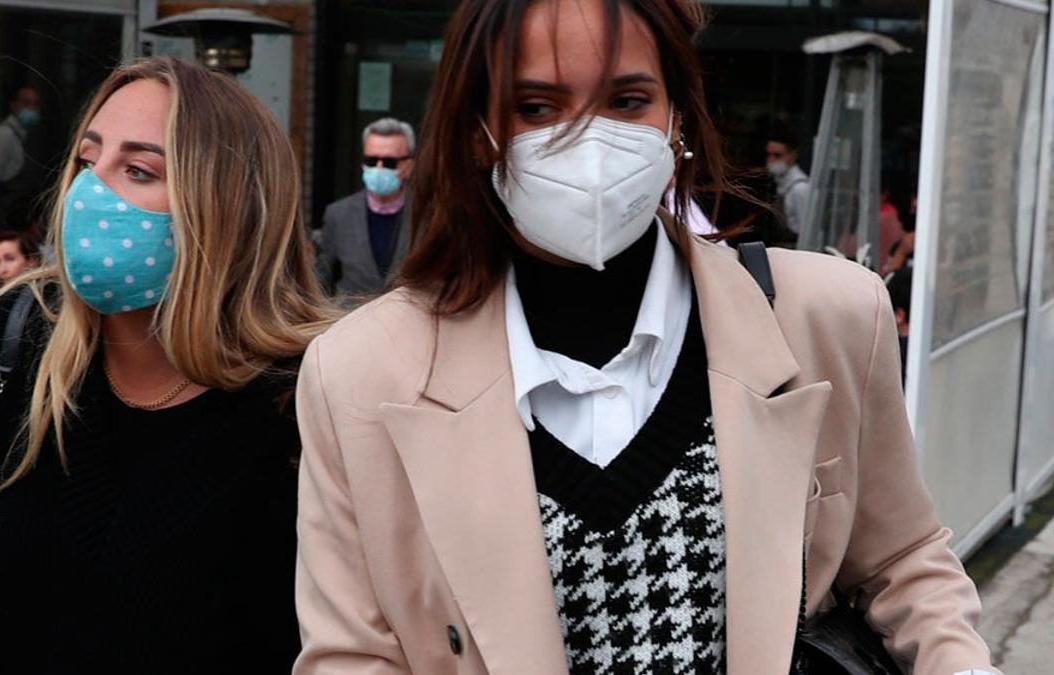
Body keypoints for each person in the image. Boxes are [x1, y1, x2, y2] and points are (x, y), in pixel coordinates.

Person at [292, 2, 997, 674]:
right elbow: (354, 651)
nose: (585, 141)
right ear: (478, 130)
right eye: (536, 107)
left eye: (627, 100)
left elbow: (903, 561)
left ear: (677, 118)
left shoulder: (826, 317)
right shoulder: (359, 373)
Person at [0, 57, 333, 675]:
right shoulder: (20, 337)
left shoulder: (305, 401)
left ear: (227, 207)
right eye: (86, 160)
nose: (90, 192)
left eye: (137, 169)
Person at [315, 117, 414, 298]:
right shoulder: (338, 214)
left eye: (389, 162)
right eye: (371, 160)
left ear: (408, 166)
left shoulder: (429, 215)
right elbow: (321, 279)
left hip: (409, 322)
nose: (379, 168)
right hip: (352, 320)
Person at [0, 84, 41, 231]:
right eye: (26, 103)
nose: (31, 108)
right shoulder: (3, 135)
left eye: (35, 104)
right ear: (13, 106)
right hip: (4, 218)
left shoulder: (23, 136)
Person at [766, 127, 810, 235]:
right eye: (768, 155)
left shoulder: (800, 188)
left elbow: (807, 230)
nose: (771, 160)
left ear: (793, 156)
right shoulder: (779, 182)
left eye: (777, 155)